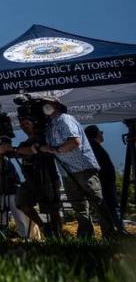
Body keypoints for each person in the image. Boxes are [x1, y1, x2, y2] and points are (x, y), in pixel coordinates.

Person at [39, 98, 120, 238]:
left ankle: (110, 235)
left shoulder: (65, 119)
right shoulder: (49, 125)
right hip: (67, 170)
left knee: (97, 202)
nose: (44, 106)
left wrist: (54, 150)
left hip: (82, 167)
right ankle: (86, 236)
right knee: (79, 206)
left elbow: (74, 142)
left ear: (56, 105)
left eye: (47, 103)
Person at [0, 112, 63, 238]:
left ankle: (58, 236)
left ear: (34, 124)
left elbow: (33, 150)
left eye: (27, 123)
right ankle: (44, 227)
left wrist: (13, 149)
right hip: (30, 180)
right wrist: (3, 146)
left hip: (47, 178)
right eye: (22, 125)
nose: (24, 127)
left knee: (52, 209)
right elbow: (14, 154)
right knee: (21, 202)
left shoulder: (43, 137)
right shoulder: (24, 143)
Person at [84, 125, 124, 232]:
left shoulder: (92, 147)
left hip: (104, 184)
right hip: (105, 185)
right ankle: (119, 231)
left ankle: (115, 231)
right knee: (112, 208)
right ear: (96, 134)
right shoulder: (94, 147)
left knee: (110, 209)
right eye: (100, 132)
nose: (102, 134)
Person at [0, 145, 29, 237]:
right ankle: (3, 235)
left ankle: (23, 235)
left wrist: (8, 177)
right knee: (2, 218)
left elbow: (16, 179)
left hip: (11, 193)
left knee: (18, 215)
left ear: (1, 153)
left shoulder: (8, 164)